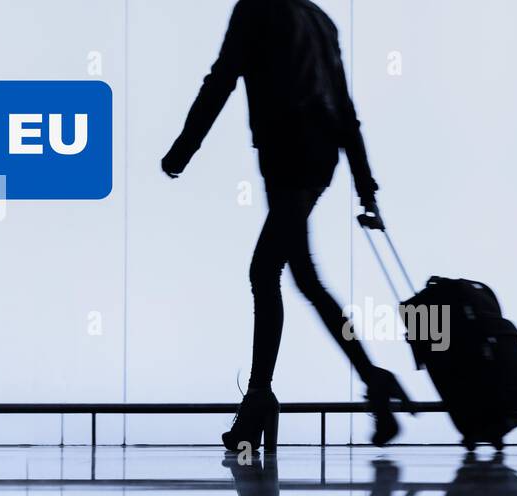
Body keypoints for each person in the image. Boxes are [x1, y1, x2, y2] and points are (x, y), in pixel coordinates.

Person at [162, 0, 409, 451]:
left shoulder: (256, 10)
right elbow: (345, 107)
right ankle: (360, 384)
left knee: (270, 273)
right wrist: (365, 185)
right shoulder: (320, 19)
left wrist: (184, 147)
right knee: (299, 277)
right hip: (319, 157)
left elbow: (221, 80)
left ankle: (271, 396)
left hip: (287, 155)